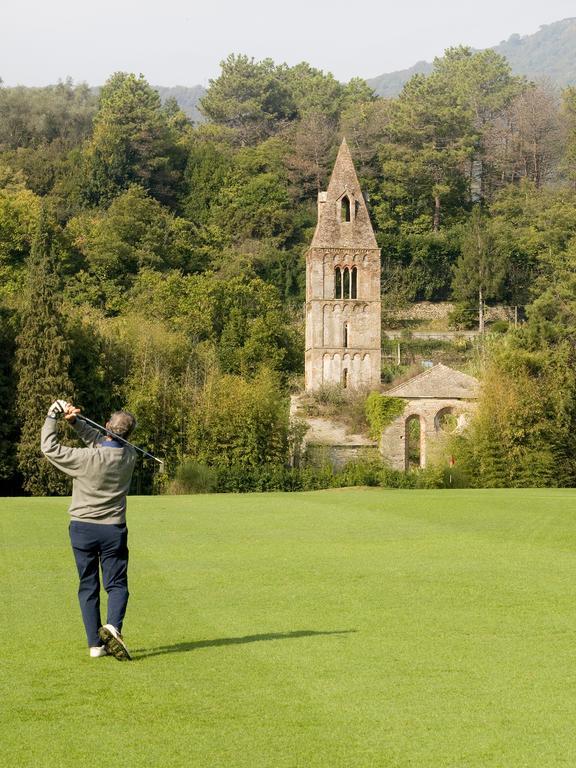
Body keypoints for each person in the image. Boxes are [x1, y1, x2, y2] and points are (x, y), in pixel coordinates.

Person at [41, 400, 138, 661]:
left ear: (106, 426)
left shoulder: (85, 458)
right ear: (129, 435)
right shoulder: (130, 455)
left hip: (83, 529)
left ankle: (95, 645)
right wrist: (75, 423)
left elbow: (49, 447)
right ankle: (113, 627)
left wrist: (54, 416)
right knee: (116, 584)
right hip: (113, 529)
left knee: (88, 585)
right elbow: (104, 442)